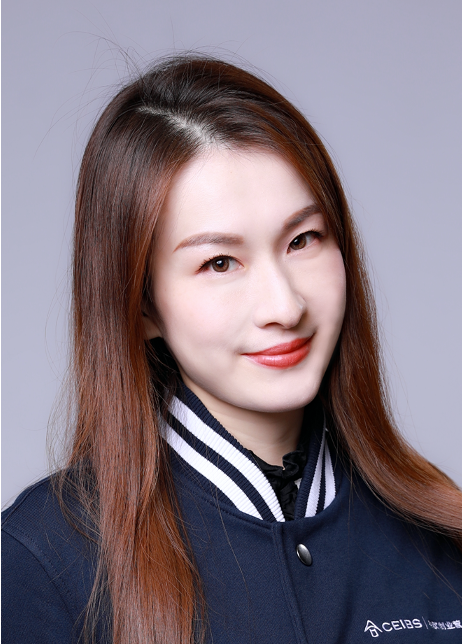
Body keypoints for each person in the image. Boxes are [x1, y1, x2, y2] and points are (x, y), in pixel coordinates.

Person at [2, 55, 461, 644]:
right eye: (220, 262)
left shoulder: (436, 528)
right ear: (140, 305)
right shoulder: (42, 561)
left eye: (303, 239)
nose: (284, 306)